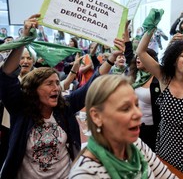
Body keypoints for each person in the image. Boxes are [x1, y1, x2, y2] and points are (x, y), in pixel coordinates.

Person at [0, 13, 126, 178]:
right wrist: (24, 39)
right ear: (34, 89)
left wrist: (111, 59)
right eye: (49, 84)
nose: (56, 88)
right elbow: (7, 76)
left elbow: (91, 85)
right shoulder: (21, 110)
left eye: (57, 83)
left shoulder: (64, 107)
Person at [136, 30, 183, 178]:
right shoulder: (165, 79)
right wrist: (151, 29)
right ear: (173, 60)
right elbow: (141, 51)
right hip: (166, 145)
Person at [69, 74, 177, 179]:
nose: (139, 114)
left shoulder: (136, 145)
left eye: (137, 105)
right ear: (96, 116)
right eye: (125, 108)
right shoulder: (85, 174)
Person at [129, 48, 161, 151]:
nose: (138, 58)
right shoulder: (135, 76)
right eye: (137, 56)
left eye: (141, 56)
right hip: (134, 125)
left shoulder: (159, 80)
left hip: (152, 129)